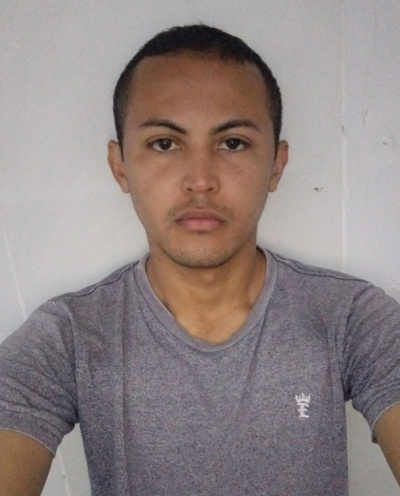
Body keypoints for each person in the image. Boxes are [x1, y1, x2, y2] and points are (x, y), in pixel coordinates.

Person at [0, 24, 400, 496]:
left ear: (276, 165)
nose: (200, 180)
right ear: (120, 165)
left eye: (232, 143)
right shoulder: (68, 339)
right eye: (165, 143)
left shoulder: (351, 318)